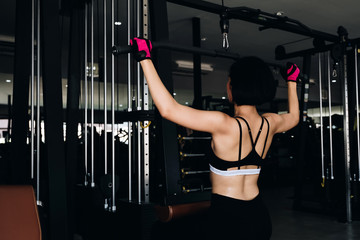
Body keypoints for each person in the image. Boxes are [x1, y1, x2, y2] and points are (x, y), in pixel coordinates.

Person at [130, 37, 299, 239]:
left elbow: (168, 110)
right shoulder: (270, 123)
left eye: (229, 82)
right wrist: (292, 81)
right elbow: (295, 117)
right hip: (258, 217)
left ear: (233, 88)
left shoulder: (224, 124)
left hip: (228, 220)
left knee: (161, 231)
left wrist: (144, 58)